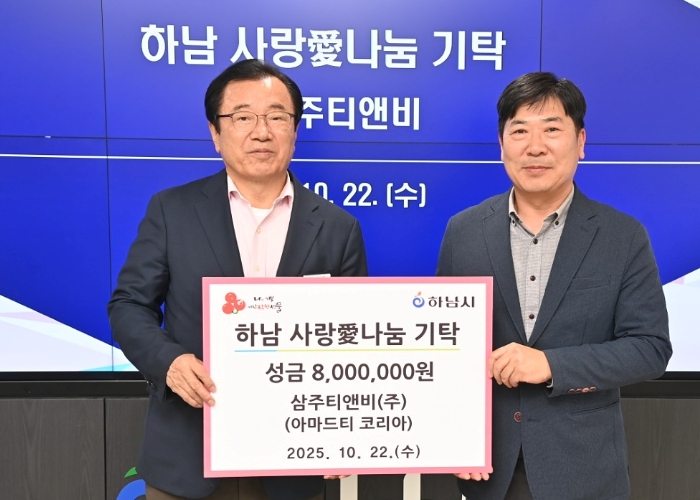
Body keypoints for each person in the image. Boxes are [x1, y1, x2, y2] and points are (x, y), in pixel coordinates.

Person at [108, 59, 368, 500]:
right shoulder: (172, 211)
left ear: (295, 130)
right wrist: (169, 362)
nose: (261, 132)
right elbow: (129, 305)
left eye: (277, 117)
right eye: (243, 117)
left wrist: (342, 433)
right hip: (189, 455)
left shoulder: (338, 227)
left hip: (294, 459)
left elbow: (354, 338)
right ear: (216, 133)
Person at [437, 72, 672, 500]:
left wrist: (551, 365)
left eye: (551, 129)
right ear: (502, 143)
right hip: (489, 469)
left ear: (580, 141)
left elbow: (649, 348)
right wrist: (455, 438)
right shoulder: (464, 231)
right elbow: (445, 348)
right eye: (520, 131)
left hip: (583, 470)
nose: (535, 147)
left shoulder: (622, 236)